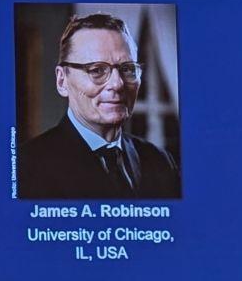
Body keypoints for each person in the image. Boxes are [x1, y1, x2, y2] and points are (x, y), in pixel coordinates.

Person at [18, 12, 180, 199]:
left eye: (127, 69)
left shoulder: (160, 162)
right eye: (97, 70)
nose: (118, 84)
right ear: (62, 81)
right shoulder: (26, 166)